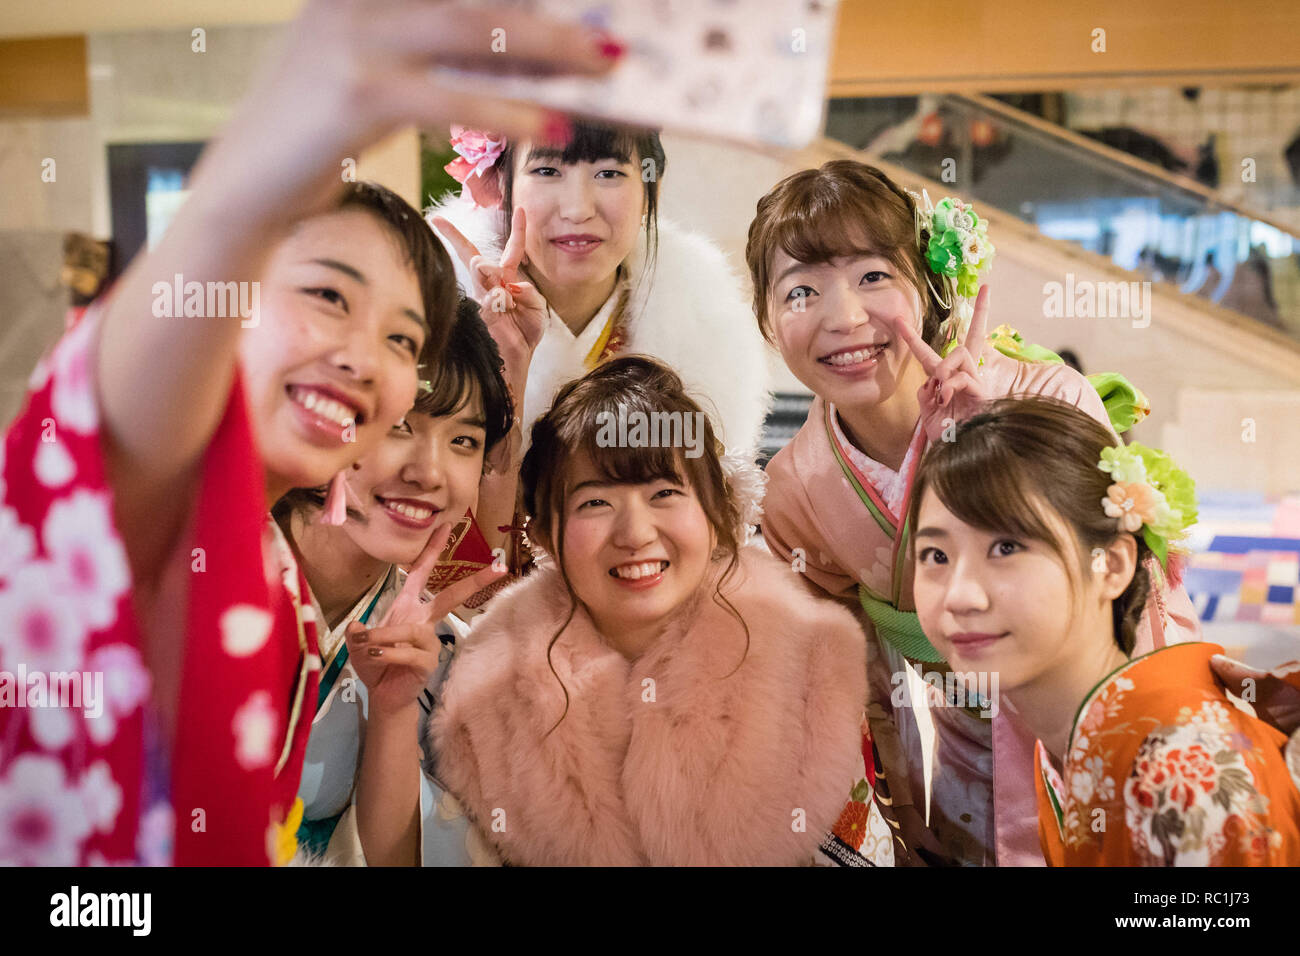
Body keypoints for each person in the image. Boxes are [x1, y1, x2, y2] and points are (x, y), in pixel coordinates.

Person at [0, 0, 622, 866]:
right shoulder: (165, 513)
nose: (366, 357)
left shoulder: (300, 608)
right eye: (328, 296)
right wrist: (265, 161)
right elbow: (106, 433)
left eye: (403, 337)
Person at [748, 159, 1202, 865]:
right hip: (940, 743)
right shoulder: (796, 485)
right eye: (801, 290)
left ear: (928, 286)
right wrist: (895, 792)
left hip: (1090, 706)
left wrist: (996, 448)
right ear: (768, 319)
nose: (843, 318)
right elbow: (837, 670)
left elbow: (1125, 588)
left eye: (873, 277)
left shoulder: (1049, 396)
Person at [427, 357, 867, 866]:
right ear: (546, 532)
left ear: (719, 512)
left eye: (664, 493)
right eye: (595, 503)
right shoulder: (485, 696)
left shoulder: (813, 665)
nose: (635, 534)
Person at [910, 397, 1300, 865]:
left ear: (1111, 565)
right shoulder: (1075, 733)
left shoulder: (1184, 769)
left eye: (1006, 547)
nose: (959, 596)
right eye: (936, 555)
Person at [278, 300, 511, 866]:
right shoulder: (194, 572)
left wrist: (391, 712)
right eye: (401, 425)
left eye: (464, 441)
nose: (430, 472)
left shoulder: (438, 649)